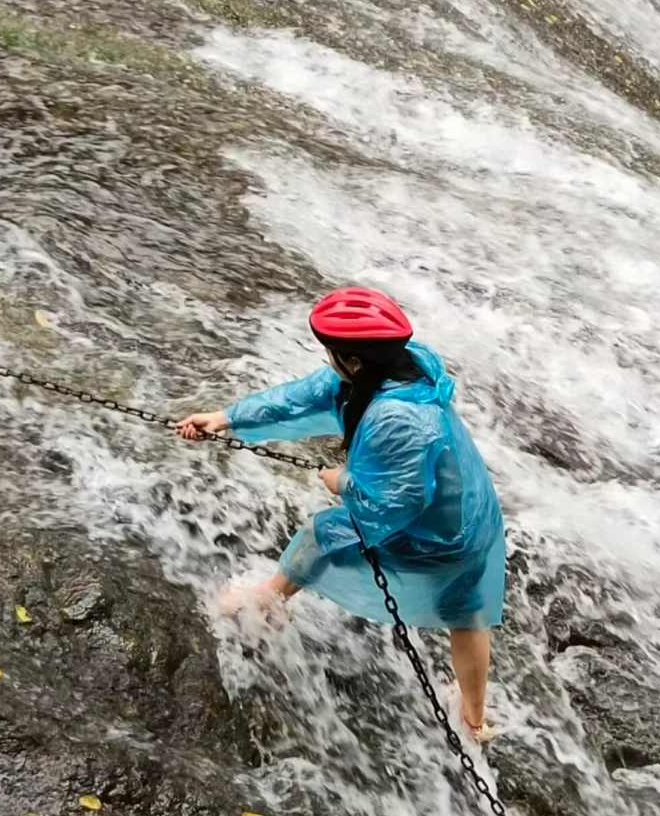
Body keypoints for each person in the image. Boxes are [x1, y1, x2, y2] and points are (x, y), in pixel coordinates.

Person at [176, 288, 505, 742]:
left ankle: (269, 599)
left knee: (324, 534)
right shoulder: (399, 368)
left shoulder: (398, 419)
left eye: (330, 352)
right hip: (471, 515)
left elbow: (398, 503)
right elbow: (302, 397)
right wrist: (226, 417)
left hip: (436, 537)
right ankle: (474, 719)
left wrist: (343, 482)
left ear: (353, 361)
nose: (326, 361)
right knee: (464, 613)